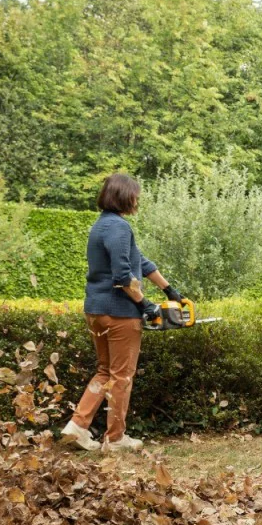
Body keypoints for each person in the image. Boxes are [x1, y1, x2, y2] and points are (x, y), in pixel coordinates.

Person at [61, 173, 183, 451]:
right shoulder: (119, 227)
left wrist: (169, 290)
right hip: (119, 313)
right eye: (135, 195)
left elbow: (140, 260)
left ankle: (77, 426)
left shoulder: (102, 226)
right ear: (124, 195)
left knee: (105, 371)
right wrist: (145, 305)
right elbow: (123, 275)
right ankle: (115, 439)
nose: (137, 200)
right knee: (122, 376)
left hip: (95, 310)